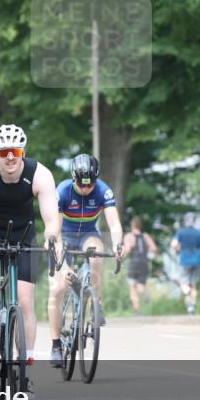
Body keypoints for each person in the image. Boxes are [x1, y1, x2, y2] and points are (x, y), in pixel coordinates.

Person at [0, 124, 60, 395]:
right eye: (4, 151)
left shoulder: (40, 174)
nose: (10, 157)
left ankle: (25, 366)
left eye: (15, 151)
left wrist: (52, 237)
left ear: (23, 152)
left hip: (24, 234)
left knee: (26, 302)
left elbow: (52, 218)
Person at [47, 153, 123, 367]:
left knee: (97, 253)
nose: (86, 189)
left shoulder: (103, 190)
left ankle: (96, 303)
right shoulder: (62, 191)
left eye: (91, 185)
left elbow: (114, 224)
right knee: (58, 289)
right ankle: (55, 346)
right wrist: (62, 263)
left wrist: (118, 245)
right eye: (82, 185)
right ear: (74, 179)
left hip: (89, 234)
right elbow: (55, 229)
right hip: (65, 237)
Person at [171, 214, 200, 315]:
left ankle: (187, 292)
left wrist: (177, 251)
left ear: (185, 221)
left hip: (184, 260)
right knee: (194, 285)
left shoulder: (181, 232)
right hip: (197, 261)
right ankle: (191, 306)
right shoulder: (199, 233)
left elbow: (174, 244)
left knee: (183, 282)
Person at [123, 216, 159, 315]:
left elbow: (128, 249)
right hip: (144, 262)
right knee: (141, 285)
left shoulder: (129, 236)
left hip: (134, 263)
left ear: (132, 226)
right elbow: (154, 248)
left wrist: (122, 255)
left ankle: (137, 310)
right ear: (140, 226)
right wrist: (153, 254)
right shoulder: (145, 236)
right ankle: (145, 292)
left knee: (132, 286)